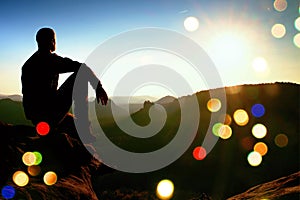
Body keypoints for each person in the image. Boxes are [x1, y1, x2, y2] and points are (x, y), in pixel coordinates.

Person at [21, 27, 108, 143]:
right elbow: (83, 68)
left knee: (71, 122)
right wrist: (99, 87)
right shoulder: (51, 60)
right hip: (49, 116)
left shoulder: (28, 64)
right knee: (80, 76)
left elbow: (27, 100)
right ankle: (84, 130)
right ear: (52, 41)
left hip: (37, 119)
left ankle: (63, 128)